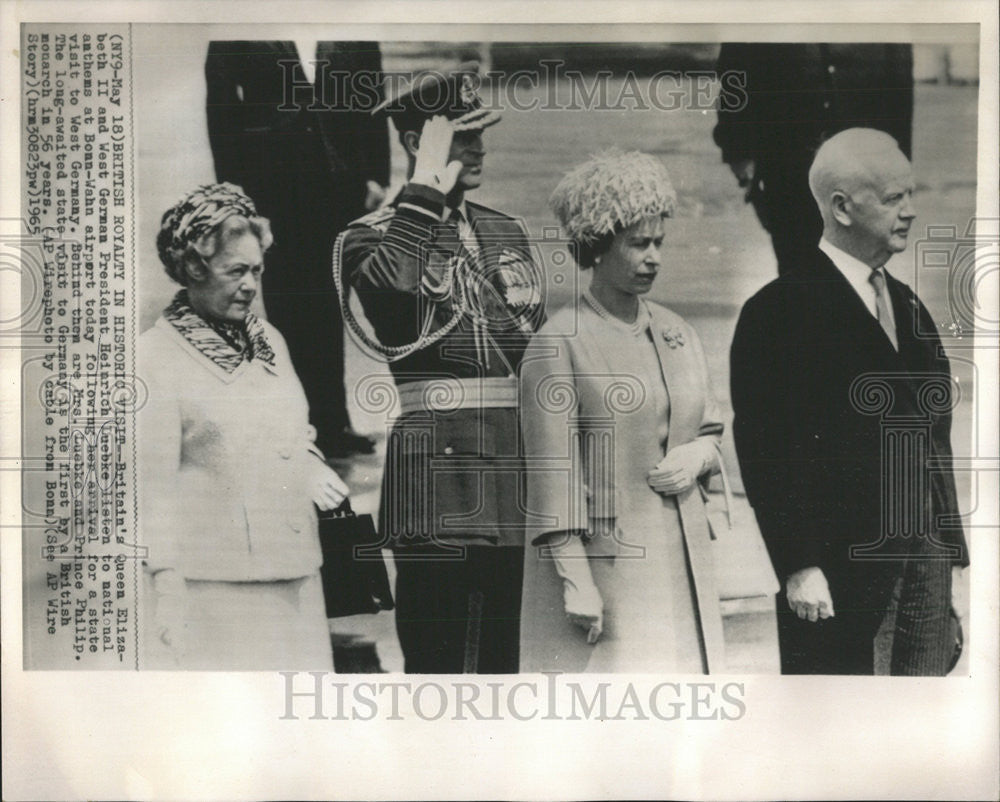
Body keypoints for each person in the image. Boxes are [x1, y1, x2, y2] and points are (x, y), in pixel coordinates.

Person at [730, 128, 968, 675]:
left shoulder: (908, 308)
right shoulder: (778, 311)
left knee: (917, 734)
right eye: (891, 199)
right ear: (841, 207)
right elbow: (767, 452)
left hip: (924, 566)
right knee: (845, 733)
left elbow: (936, 443)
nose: (909, 211)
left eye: (910, 194)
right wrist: (798, 565)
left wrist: (950, 558)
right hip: (842, 574)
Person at [337, 62, 545, 674]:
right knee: (440, 673)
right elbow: (398, 305)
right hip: (438, 485)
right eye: (460, 135)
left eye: (480, 132)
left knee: (510, 670)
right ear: (416, 145)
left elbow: (531, 356)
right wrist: (423, 192)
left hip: (515, 484)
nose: (479, 146)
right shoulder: (366, 239)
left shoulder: (504, 230)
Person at [519, 150, 727, 673]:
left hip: (683, 559)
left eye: (659, 243)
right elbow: (552, 481)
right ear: (596, 247)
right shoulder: (558, 343)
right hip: (609, 574)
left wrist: (702, 454)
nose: (653, 257)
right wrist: (576, 583)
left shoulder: (677, 331)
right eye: (637, 244)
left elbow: (710, 426)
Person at [139, 183, 349, 669]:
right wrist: (167, 587)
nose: (251, 285)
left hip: (297, 574)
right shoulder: (154, 357)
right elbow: (151, 488)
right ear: (194, 268)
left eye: (256, 270)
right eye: (236, 271)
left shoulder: (269, 339)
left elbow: (295, 430)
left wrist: (309, 463)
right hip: (215, 589)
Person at [206, 40, 390, 456]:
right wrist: (240, 198)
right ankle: (296, 425)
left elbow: (372, 102)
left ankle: (332, 425)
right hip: (274, 192)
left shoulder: (352, 29)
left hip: (340, 186)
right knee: (288, 309)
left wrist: (377, 174)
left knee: (330, 305)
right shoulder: (237, 26)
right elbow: (221, 115)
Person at [713, 43, 913, 276]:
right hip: (786, 163)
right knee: (797, 271)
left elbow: (899, 74)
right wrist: (739, 154)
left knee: (862, 272)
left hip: (864, 162)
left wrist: (900, 164)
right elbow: (735, 72)